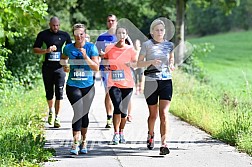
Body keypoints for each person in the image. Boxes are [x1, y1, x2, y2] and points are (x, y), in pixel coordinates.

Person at [137, 19, 175, 155]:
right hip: (151, 82)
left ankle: (164, 144)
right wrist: (151, 62)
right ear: (152, 32)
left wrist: (171, 64)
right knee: (153, 115)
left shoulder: (169, 45)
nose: (159, 32)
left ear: (164, 32)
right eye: (157, 30)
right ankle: (151, 134)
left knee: (164, 114)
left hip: (166, 81)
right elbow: (139, 63)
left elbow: (171, 59)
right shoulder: (147, 45)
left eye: (162, 30)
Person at [61, 23, 99, 155]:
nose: (79, 37)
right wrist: (65, 65)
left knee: (84, 114)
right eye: (76, 35)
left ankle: (84, 141)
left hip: (88, 86)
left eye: (81, 34)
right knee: (78, 112)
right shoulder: (68, 48)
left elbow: (96, 67)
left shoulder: (91, 47)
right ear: (73, 35)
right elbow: (63, 59)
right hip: (73, 85)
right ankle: (75, 143)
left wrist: (86, 57)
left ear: (85, 34)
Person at [33, 16, 72, 128]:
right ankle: (51, 111)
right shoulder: (43, 35)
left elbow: (70, 50)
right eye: (54, 25)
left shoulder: (64, 35)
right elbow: (35, 49)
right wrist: (46, 50)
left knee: (59, 93)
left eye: (57, 25)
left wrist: (66, 63)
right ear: (50, 25)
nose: (56, 27)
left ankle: (57, 117)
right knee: (49, 92)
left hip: (60, 68)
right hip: (47, 67)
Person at [104, 27, 137, 145]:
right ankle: (116, 134)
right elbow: (105, 60)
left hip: (127, 83)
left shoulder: (130, 49)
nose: (121, 35)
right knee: (117, 107)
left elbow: (136, 64)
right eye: (119, 33)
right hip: (113, 83)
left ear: (126, 35)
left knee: (124, 111)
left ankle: (122, 132)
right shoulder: (109, 48)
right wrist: (107, 66)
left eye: (124, 33)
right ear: (116, 35)